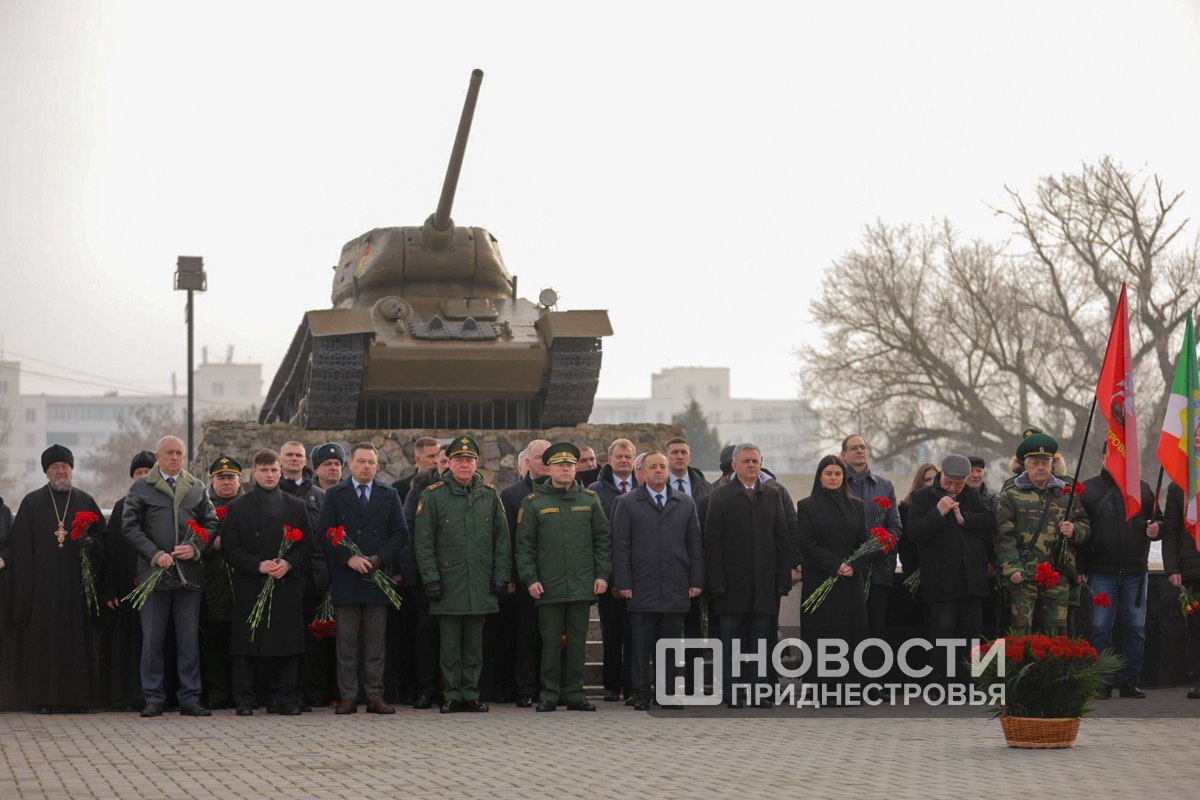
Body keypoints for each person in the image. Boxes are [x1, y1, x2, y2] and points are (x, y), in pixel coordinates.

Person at [122, 435, 219, 717]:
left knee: (188, 640)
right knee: (152, 640)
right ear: (158, 456)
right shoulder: (141, 487)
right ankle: (153, 697)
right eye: (169, 453)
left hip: (188, 577)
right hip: (155, 576)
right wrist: (154, 554)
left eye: (179, 452)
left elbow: (211, 522)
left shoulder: (196, 487)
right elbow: (129, 527)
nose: (175, 458)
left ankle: (190, 697)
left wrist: (196, 548)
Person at [415, 434, 511, 713]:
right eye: (459, 460)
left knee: (473, 645)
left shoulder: (490, 495)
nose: (464, 465)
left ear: (477, 463)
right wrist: (430, 578)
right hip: (448, 582)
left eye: (469, 460)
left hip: (479, 582)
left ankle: (471, 693)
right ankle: (452, 694)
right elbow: (423, 542)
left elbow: (501, 540)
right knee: (449, 645)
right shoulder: (433, 495)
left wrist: (500, 575)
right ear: (449, 464)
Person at [316, 442, 412, 715]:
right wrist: (348, 557)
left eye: (371, 462)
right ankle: (348, 696)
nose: (366, 466)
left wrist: (377, 559)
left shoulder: (389, 493)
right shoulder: (335, 494)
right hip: (347, 577)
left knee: (375, 642)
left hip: (376, 577)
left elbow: (400, 533)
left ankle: (373, 694)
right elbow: (324, 532)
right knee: (346, 642)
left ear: (377, 466)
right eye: (361, 462)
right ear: (351, 465)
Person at [9, 444, 106, 712]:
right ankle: (44, 700)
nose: (61, 471)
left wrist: (91, 543)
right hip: (43, 591)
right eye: (55, 467)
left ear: (72, 470)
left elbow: (104, 539)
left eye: (65, 466)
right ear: (46, 472)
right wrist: (27, 591)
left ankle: (78, 699)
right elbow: (21, 549)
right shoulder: (31, 502)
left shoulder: (85, 500)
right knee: (44, 644)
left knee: (76, 643)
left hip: (76, 588)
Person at [517, 442, 611, 712]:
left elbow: (602, 541)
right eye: (560, 466)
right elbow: (524, 547)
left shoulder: (589, 500)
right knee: (549, 644)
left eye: (571, 465)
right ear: (549, 469)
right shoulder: (534, 503)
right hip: (548, 586)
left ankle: (574, 693)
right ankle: (549, 694)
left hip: (582, 585)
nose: (566, 470)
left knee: (577, 643)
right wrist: (530, 578)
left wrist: (602, 574)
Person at [221, 449, 314, 715]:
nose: (270, 475)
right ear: (254, 473)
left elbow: (308, 545)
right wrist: (256, 564)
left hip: (285, 583)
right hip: (251, 583)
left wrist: (289, 563)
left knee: (286, 643)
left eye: (274, 470)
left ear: (280, 471)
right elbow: (229, 546)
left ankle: (284, 697)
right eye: (264, 470)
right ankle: (245, 700)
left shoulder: (296, 506)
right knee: (247, 643)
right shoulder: (237, 507)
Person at [611, 451, 703, 710]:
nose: (659, 471)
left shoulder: (685, 503)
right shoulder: (627, 503)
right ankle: (641, 693)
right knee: (640, 645)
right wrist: (623, 583)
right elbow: (620, 546)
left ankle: (669, 693)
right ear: (641, 473)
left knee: (671, 647)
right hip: (641, 586)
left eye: (663, 466)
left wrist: (696, 580)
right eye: (653, 467)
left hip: (675, 585)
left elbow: (694, 544)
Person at [703, 443, 793, 707]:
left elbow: (782, 540)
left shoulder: (773, 496)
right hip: (731, 587)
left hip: (765, 587)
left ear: (761, 462)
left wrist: (782, 580)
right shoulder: (719, 497)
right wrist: (716, 581)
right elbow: (712, 543)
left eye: (755, 461)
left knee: (762, 644)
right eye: (746, 461)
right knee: (732, 645)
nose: (751, 465)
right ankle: (733, 693)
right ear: (734, 465)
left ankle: (760, 693)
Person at [906, 454, 995, 678]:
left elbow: (989, 522)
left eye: (959, 483)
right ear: (941, 475)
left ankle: (971, 683)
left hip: (971, 579)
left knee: (972, 634)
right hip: (942, 580)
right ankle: (942, 684)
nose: (953, 488)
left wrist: (964, 518)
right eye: (949, 483)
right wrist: (938, 513)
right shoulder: (922, 497)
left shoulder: (973, 496)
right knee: (943, 634)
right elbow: (914, 532)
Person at [994, 432, 1090, 635]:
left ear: (1052, 465)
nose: (1041, 467)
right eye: (1035, 462)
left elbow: (1085, 524)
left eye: (1045, 463)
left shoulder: (1066, 493)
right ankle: (1020, 667)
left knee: (1057, 632)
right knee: (1021, 630)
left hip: (1058, 572)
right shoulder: (1011, 494)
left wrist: (1074, 531)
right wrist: (1012, 569)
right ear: (1026, 466)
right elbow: (1004, 535)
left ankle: (1053, 667)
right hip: (1024, 573)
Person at [1081, 458, 1158, 699]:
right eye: (1111, 455)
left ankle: (1129, 682)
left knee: (1135, 629)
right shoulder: (1087, 489)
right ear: (1103, 457)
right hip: (1100, 571)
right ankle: (1102, 681)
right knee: (1101, 628)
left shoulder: (1143, 489)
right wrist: (1081, 567)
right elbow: (1081, 531)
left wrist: (1158, 529)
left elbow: (1159, 521)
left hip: (1136, 571)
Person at [795, 454, 869, 700]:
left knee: (851, 634)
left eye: (838, 474)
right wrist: (835, 564)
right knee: (822, 635)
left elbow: (864, 542)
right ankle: (823, 691)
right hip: (821, 577)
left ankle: (851, 690)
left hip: (850, 582)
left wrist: (853, 565)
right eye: (829, 473)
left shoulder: (856, 505)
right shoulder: (806, 506)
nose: (834, 478)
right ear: (820, 477)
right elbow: (806, 543)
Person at [99, 450, 157, 710]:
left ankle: (153, 694)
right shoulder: (123, 505)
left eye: (147, 472)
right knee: (127, 643)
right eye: (138, 473)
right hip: (125, 587)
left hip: (155, 585)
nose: (142, 477)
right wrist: (109, 588)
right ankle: (126, 695)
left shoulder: (163, 503)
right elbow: (110, 550)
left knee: (152, 640)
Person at [497, 438, 551, 707]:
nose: (543, 462)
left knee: (551, 638)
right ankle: (526, 689)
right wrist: (508, 576)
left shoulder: (564, 492)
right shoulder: (512, 495)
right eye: (539, 457)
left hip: (555, 578)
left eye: (547, 457)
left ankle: (550, 687)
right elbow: (506, 540)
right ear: (527, 462)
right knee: (526, 637)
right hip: (523, 580)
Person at [840, 435, 903, 641]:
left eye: (863, 447)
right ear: (843, 455)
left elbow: (895, 527)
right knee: (848, 633)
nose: (859, 451)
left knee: (876, 633)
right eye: (854, 448)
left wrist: (877, 549)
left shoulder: (884, 486)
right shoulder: (835, 484)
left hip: (878, 570)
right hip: (846, 571)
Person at [589, 438, 637, 702]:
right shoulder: (595, 491)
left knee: (634, 634)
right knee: (612, 632)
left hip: (637, 576)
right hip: (608, 575)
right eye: (619, 457)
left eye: (628, 457)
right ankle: (611, 685)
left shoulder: (643, 488)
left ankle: (632, 686)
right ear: (609, 460)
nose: (623, 461)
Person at [201, 454, 243, 710]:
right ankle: (217, 692)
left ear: (239, 480)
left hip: (243, 583)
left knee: (241, 646)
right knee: (214, 644)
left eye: (231, 478)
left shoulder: (248, 504)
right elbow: (193, 536)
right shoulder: (203, 506)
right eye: (221, 478)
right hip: (213, 583)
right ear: (212, 481)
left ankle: (242, 692)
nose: (226, 482)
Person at [1162, 481, 1200, 699]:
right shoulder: (1178, 486)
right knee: (1195, 628)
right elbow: (1170, 531)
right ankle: (1197, 680)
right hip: (1192, 569)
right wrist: (1171, 568)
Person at [664, 437, 713, 503]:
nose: (680, 457)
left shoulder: (706, 488)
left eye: (684, 452)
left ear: (689, 457)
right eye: (675, 452)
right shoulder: (658, 485)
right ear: (666, 457)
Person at [393, 437, 441, 504]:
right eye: (431, 456)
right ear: (417, 459)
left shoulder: (449, 484)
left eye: (438, 456)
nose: (436, 461)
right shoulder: (400, 488)